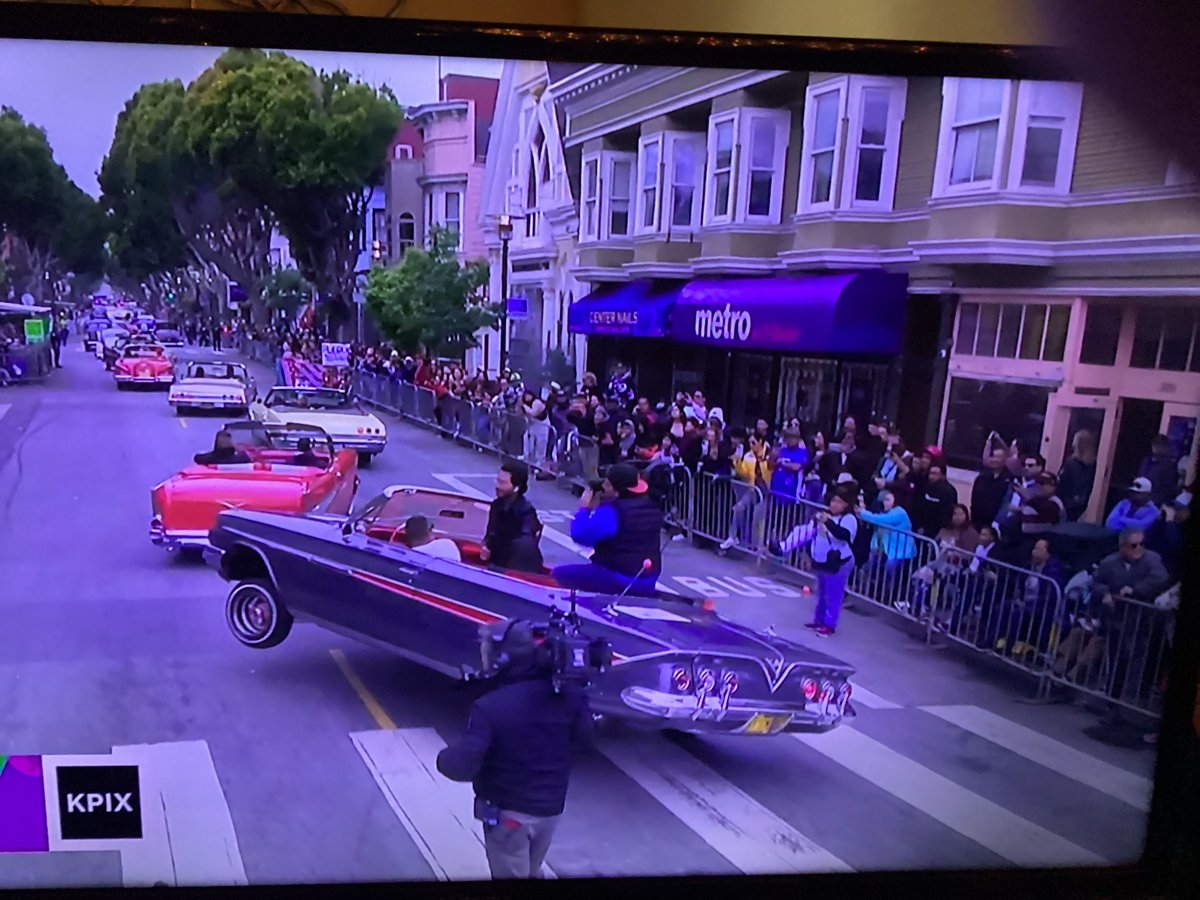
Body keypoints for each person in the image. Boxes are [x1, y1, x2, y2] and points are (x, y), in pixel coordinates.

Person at [436, 619, 592, 880]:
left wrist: (444, 758)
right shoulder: (569, 697)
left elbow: (461, 767)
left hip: (509, 814)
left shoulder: (490, 707)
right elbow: (584, 741)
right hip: (551, 809)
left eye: (485, 647)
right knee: (531, 869)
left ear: (502, 657)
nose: (482, 653)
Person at [553, 463, 663, 597]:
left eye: (606, 484)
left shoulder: (613, 512)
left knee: (558, 575)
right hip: (648, 577)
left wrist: (584, 509)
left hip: (620, 577)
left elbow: (580, 535)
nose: (603, 486)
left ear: (615, 490)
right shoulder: (651, 505)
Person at [768, 485, 859, 637]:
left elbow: (843, 535)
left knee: (833, 595)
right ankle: (819, 620)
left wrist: (828, 523)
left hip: (839, 562)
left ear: (846, 505)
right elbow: (810, 535)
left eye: (838, 502)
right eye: (833, 501)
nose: (834, 504)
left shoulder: (849, 519)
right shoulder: (823, 516)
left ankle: (829, 625)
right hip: (822, 561)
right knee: (821, 593)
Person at [481, 462, 544, 573]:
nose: (497, 486)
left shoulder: (526, 511)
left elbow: (525, 544)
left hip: (516, 568)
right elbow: (491, 534)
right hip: (497, 564)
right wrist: (486, 545)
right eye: (497, 481)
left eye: (503, 483)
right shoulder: (496, 505)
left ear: (516, 487)